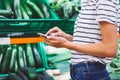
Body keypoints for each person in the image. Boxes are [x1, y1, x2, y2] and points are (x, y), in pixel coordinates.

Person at [45, 0, 119, 80]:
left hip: (91, 73)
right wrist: (66, 37)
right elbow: (91, 41)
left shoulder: (104, 2)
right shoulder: (89, 2)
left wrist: (66, 44)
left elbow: (109, 49)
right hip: (84, 71)